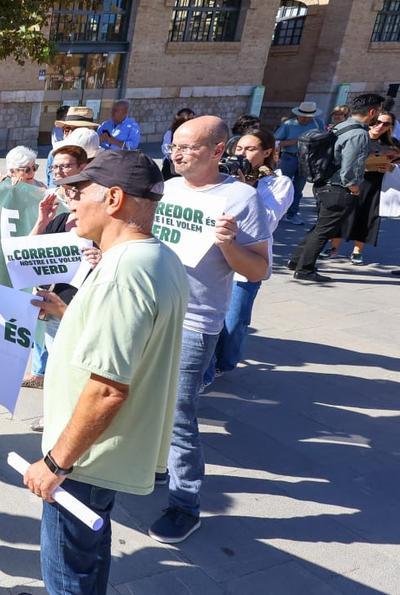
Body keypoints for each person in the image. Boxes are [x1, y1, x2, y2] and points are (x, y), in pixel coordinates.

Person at [24, 149, 187, 595]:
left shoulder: (123, 271)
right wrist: (66, 315)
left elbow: (107, 389)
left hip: (83, 459)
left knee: (66, 575)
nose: (71, 202)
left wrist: (56, 462)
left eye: (79, 192)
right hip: (104, 452)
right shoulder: (156, 257)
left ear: (113, 198)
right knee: (87, 553)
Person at [153, 116, 270, 544]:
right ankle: (150, 468)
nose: (176, 154)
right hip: (150, 313)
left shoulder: (241, 198)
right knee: (143, 400)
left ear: (218, 151)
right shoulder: (165, 189)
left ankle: (185, 505)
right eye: (174, 147)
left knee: (178, 414)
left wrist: (228, 244)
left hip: (195, 322)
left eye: (188, 147)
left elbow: (259, 269)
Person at [206, 129, 293, 384]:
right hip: (215, 255)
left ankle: (224, 363)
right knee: (209, 319)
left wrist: (245, 189)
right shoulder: (223, 177)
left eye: (250, 149)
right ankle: (206, 369)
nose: (242, 154)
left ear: (267, 153)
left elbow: (267, 221)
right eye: (239, 148)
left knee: (233, 322)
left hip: (247, 259)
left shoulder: (279, 183)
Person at [20, 142, 94, 393]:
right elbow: (26, 255)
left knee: (76, 372)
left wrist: (99, 258)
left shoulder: (96, 222)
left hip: (79, 309)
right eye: (55, 167)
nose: (59, 172)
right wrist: (42, 221)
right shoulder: (59, 218)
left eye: (66, 167)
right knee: (58, 368)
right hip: (52, 305)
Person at [289, 94, 384, 282]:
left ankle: (297, 260)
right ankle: (305, 270)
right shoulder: (359, 134)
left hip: (324, 184)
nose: (378, 115)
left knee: (320, 227)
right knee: (324, 231)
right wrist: (354, 188)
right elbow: (350, 167)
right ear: (372, 111)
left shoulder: (342, 126)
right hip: (338, 189)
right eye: (379, 111)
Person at [324, 110, 400, 264]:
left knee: (367, 216)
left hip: (375, 186)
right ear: (371, 121)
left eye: (386, 124)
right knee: (344, 214)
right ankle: (334, 247)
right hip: (353, 182)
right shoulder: (360, 137)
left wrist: (390, 167)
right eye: (378, 122)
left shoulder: (392, 143)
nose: (380, 126)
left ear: (390, 126)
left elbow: (397, 165)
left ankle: (357, 251)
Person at [274, 101, 325, 225]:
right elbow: (276, 141)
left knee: (298, 188)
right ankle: (277, 212)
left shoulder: (318, 123)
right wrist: (295, 141)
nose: (305, 118)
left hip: (307, 159)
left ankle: (292, 214)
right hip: (289, 157)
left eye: (308, 116)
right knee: (282, 186)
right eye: (302, 115)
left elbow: (323, 138)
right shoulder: (288, 125)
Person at [161, 108, 195, 179]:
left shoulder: (195, 133)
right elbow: (167, 149)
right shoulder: (171, 133)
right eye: (190, 120)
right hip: (172, 168)